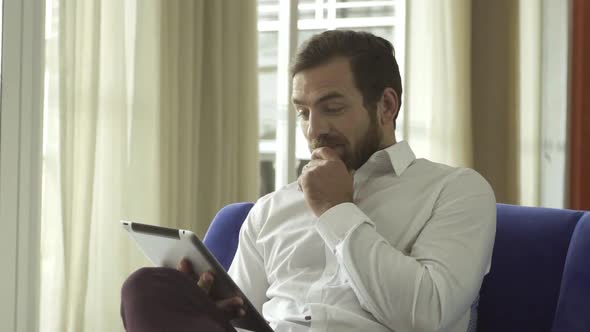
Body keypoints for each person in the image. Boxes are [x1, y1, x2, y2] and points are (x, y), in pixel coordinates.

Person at [121, 30, 496, 332]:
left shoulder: (455, 190)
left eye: (332, 108)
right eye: (303, 113)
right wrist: (211, 311)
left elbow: (425, 317)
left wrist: (335, 211)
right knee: (148, 287)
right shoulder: (271, 209)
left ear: (386, 105)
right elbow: (244, 318)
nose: (314, 129)